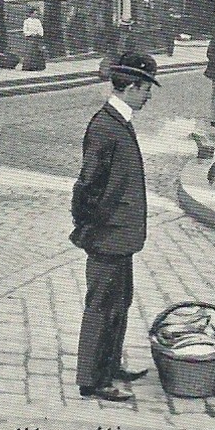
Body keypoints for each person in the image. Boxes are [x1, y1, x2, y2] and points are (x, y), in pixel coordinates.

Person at [70, 51, 160, 402]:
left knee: (119, 302)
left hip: (119, 235)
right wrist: (91, 228)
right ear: (132, 86)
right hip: (107, 235)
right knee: (101, 306)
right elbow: (87, 186)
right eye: (147, 88)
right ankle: (92, 379)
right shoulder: (105, 126)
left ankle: (109, 365)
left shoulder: (119, 121)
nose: (149, 95)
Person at [22, 7, 46, 72]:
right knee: (29, 53)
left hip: (37, 38)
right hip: (30, 38)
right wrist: (30, 34)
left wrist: (38, 34)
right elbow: (25, 31)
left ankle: (37, 66)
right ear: (31, 14)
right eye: (34, 13)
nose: (36, 15)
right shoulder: (26, 21)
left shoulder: (38, 21)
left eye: (36, 14)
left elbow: (40, 29)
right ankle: (28, 67)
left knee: (37, 52)